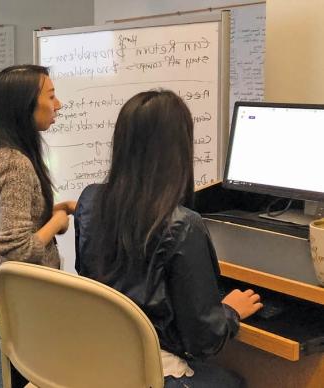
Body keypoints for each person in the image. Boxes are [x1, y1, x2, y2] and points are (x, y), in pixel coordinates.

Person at [74, 90, 262, 387]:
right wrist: (231, 310)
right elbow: (203, 341)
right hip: (156, 371)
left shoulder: (89, 201)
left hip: (104, 357)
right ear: (179, 149)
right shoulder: (183, 225)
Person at [0, 64, 76, 387]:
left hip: (13, 295)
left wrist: (51, 213)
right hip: (25, 299)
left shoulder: (2, 153)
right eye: (51, 96)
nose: (58, 104)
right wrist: (57, 222)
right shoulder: (16, 164)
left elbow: (13, 225)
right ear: (25, 105)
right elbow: (14, 248)